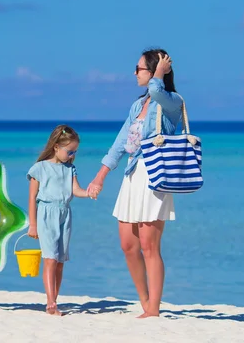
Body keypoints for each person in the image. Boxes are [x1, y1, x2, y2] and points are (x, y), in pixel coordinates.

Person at [87, 49, 181, 318]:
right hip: (131, 176)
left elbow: (160, 93)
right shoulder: (137, 106)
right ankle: (144, 301)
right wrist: (101, 175)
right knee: (128, 245)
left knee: (150, 246)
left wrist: (160, 76)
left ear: (154, 72)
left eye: (139, 68)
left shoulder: (172, 102)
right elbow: (120, 143)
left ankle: (154, 309)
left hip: (154, 177)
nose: (134, 73)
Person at [26, 125, 91, 316]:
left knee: (60, 261)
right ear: (56, 147)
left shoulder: (70, 168)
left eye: (74, 152)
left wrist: (88, 193)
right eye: (69, 151)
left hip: (65, 214)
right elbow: (32, 197)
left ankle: (55, 298)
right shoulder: (39, 168)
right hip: (46, 214)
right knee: (50, 259)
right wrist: (33, 224)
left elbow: (76, 190)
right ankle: (50, 302)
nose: (71, 155)